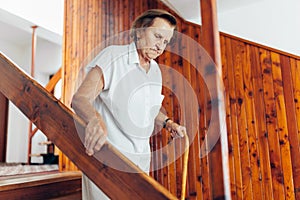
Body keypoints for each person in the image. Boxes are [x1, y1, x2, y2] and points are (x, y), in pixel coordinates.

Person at [71, 9, 186, 200]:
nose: (161, 46)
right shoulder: (113, 56)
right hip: (108, 157)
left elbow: (151, 109)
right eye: (158, 36)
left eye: (165, 41)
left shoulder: (155, 70)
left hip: (140, 159)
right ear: (140, 31)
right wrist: (94, 119)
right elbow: (80, 99)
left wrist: (168, 123)